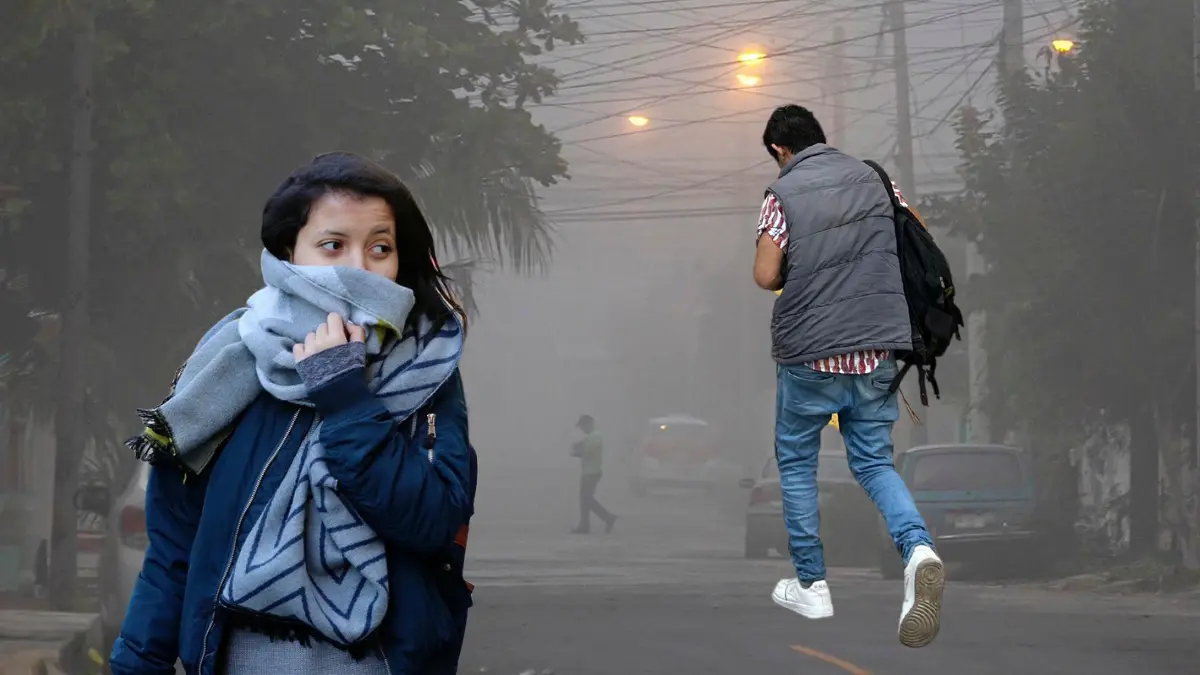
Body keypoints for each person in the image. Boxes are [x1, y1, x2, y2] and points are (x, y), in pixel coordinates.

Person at [109, 152, 476, 675]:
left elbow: (432, 521)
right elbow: (174, 546)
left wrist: (346, 397)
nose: (358, 268)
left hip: (379, 659)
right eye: (333, 245)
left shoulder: (428, 369)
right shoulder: (227, 362)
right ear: (288, 251)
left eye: (380, 248)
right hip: (243, 654)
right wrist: (136, 665)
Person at [752, 105, 945, 649]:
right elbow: (918, 235)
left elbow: (767, 274)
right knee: (874, 463)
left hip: (810, 353)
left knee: (795, 463)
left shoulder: (781, 195)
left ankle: (812, 585)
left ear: (779, 150)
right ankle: (919, 550)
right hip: (877, 348)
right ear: (821, 137)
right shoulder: (875, 179)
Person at [570, 414, 616, 534]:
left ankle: (607, 518)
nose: (582, 429)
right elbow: (585, 449)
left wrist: (578, 450)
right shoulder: (591, 436)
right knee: (584, 499)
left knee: (586, 499)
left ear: (589, 424)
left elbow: (588, 451)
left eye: (582, 426)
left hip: (592, 472)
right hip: (588, 471)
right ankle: (585, 525)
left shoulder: (595, 436)